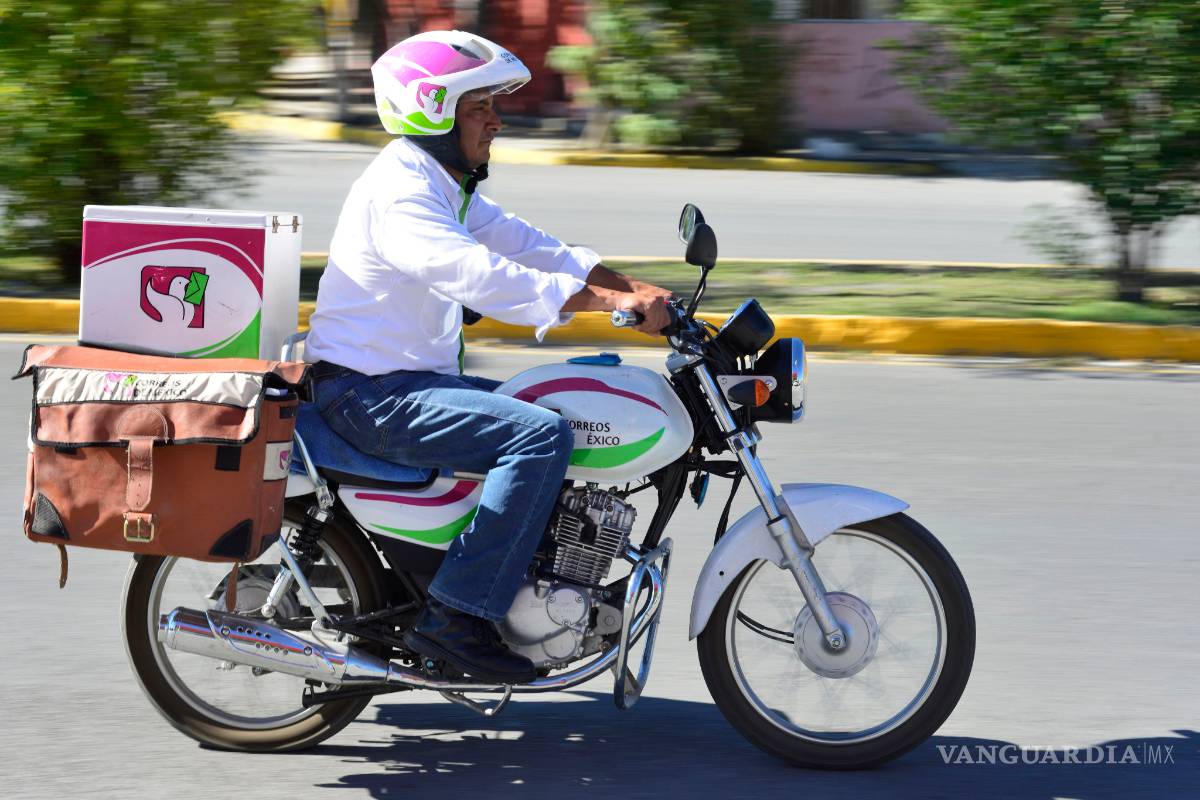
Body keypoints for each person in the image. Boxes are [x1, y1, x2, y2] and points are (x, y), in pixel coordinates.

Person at [305, 30, 673, 683]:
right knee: (538, 435)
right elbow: (480, 275)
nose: (496, 121)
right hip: (368, 395)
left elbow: (531, 246)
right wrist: (604, 304)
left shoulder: (442, 184)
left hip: (401, 384)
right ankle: (457, 615)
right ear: (432, 111)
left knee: (548, 407)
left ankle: (523, 585)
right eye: (480, 108)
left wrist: (634, 288)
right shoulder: (401, 194)